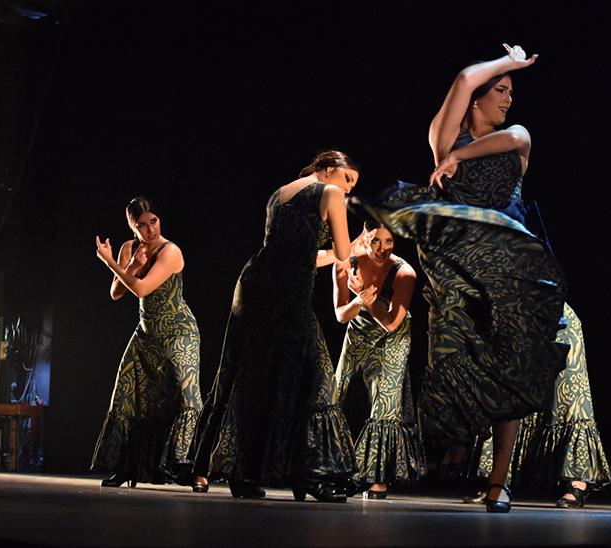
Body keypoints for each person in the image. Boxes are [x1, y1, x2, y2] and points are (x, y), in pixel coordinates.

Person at [350, 44, 568, 512]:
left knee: (513, 364)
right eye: (501, 91)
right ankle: (460, 438)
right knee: (455, 359)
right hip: (461, 271)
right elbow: (466, 77)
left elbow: (513, 140)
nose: (508, 99)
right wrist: (509, 63)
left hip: (510, 265)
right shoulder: (444, 139)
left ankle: (499, 480)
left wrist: (458, 162)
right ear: (476, 101)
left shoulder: (516, 136)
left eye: (511, 91)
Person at [191, 151, 371, 503]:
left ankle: (246, 474)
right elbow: (341, 251)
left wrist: (343, 251)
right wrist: (356, 247)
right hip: (287, 292)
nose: (347, 191)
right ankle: (313, 475)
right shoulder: (329, 193)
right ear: (330, 170)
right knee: (316, 373)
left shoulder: (280, 192)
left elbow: (300, 253)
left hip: (254, 285)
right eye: (348, 180)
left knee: (254, 375)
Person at [91, 197, 202, 488]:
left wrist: (110, 262)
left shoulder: (171, 252)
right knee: (127, 395)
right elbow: (117, 292)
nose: (149, 229)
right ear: (132, 226)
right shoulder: (131, 247)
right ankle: (128, 466)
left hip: (178, 331)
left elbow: (140, 288)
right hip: (146, 333)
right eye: (141, 225)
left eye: (153, 221)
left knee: (186, 396)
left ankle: (188, 467)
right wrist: (128, 264)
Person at [467, 303, 611, 509]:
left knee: (568, 396)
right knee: (513, 397)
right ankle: (497, 483)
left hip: (556, 321)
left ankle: (578, 481)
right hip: (516, 322)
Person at [331, 221, 426, 499]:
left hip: (393, 335)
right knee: (341, 391)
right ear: (364, 235)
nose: (382, 248)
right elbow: (340, 315)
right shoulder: (345, 263)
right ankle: (338, 466)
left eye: (389, 241)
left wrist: (369, 302)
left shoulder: (404, 272)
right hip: (359, 327)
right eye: (375, 241)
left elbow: (393, 323)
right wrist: (359, 301)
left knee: (384, 399)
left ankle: (376, 476)